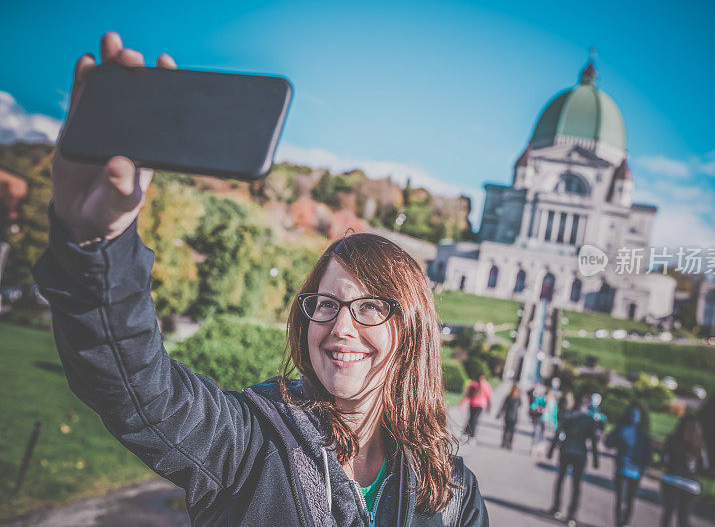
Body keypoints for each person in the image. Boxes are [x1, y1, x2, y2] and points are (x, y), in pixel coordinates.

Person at [33, 32, 488, 526]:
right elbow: (137, 387)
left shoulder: (452, 493)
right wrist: (98, 243)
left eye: (371, 307)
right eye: (326, 304)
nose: (340, 328)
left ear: (412, 330)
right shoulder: (249, 441)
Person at [547, 395, 600, 527]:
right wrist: (595, 458)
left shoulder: (570, 415)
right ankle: (571, 515)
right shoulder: (589, 419)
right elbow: (593, 440)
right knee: (575, 485)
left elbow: (559, 432)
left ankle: (557, 507)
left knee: (561, 480)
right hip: (579, 454)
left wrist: (551, 449)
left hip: (567, 451)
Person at [605, 403, 652, 527]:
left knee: (621, 499)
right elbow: (648, 456)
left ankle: (620, 523)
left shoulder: (622, 430)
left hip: (623, 468)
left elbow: (608, 443)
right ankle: (624, 523)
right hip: (635, 471)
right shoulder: (643, 435)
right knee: (630, 500)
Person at [660, 415, 709, 527]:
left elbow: (664, 459)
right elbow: (704, 467)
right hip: (690, 485)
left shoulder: (672, 440)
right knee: (684, 518)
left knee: (667, 513)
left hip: (672, 480)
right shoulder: (700, 445)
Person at [459, 374, 492, 443]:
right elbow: (488, 397)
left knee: (471, 419)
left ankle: (466, 434)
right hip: (480, 405)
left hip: (473, 404)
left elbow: (467, 395)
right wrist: (489, 407)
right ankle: (472, 436)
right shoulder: (486, 385)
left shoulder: (474, 384)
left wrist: (462, 403)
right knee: (474, 420)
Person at [496, 383, 522, 449]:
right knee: (510, 431)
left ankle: (505, 443)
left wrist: (499, 414)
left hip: (509, 416)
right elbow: (520, 405)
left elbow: (503, 406)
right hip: (513, 417)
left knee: (507, 430)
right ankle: (508, 444)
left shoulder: (510, 397)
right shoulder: (517, 398)